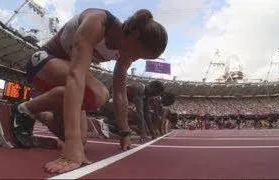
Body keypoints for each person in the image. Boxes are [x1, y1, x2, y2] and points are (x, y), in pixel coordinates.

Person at [10, 8, 168, 173]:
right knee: (99, 95)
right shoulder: (98, 22)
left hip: (64, 77)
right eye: (139, 54)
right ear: (134, 34)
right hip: (42, 63)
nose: (135, 59)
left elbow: (120, 94)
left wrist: (125, 133)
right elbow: (76, 75)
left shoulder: (125, 55)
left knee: (82, 140)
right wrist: (71, 144)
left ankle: (38, 113)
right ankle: (24, 109)